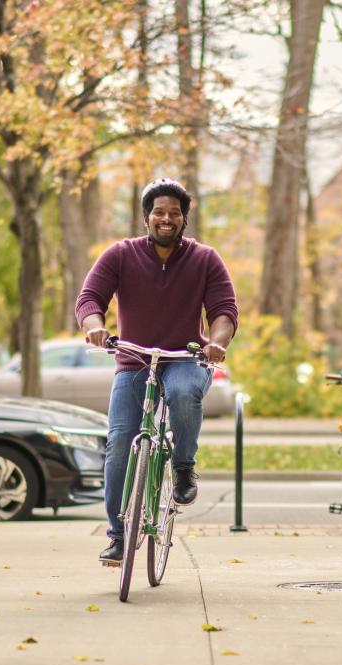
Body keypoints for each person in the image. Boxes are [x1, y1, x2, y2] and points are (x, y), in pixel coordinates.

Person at [76, 178, 238, 565]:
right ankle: (118, 535)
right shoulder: (120, 254)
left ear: (184, 219)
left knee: (184, 392)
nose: (166, 219)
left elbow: (224, 310)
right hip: (134, 360)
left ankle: (183, 467)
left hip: (185, 357)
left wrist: (218, 342)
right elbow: (89, 299)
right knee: (118, 446)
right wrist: (94, 326)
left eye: (174, 213)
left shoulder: (204, 258)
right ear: (146, 216)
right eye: (159, 212)